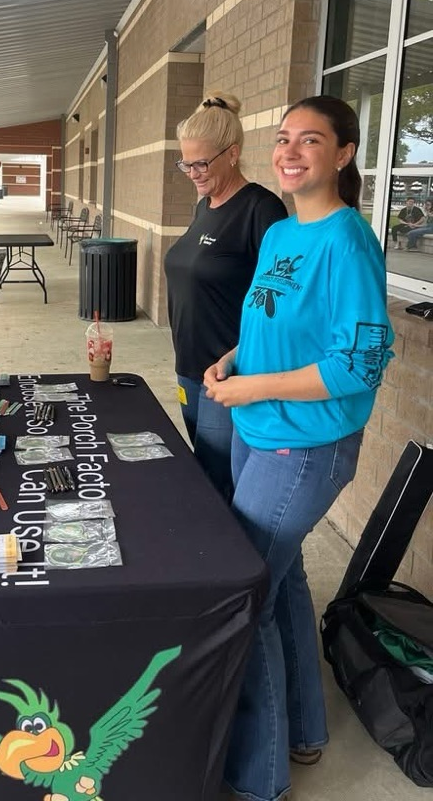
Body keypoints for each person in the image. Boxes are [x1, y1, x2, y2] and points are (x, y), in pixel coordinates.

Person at [203, 95, 394, 801]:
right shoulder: (283, 233)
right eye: (283, 139)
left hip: (305, 446)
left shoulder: (347, 241)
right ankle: (307, 731)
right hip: (259, 432)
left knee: (241, 596)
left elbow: (358, 362)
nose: (290, 151)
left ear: (343, 155)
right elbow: (272, 328)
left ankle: (259, 778)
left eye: (309, 140)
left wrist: (255, 391)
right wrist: (233, 360)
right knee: (278, 584)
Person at [164, 93, 286, 501]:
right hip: (189, 367)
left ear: (232, 154)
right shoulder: (204, 207)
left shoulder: (261, 210)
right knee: (203, 468)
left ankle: (233, 562)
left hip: (228, 373)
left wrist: (236, 358)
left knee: (220, 482)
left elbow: (279, 303)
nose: (193, 173)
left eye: (202, 163)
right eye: (186, 163)